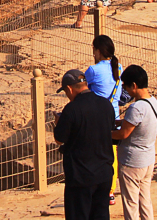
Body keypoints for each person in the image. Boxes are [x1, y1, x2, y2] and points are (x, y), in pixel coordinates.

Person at [54, 68, 117, 220]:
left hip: (80, 177)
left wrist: (58, 122)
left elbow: (60, 138)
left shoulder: (71, 109)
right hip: (104, 174)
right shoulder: (106, 104)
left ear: (69, 88)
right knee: (101, 215)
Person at [111, 65, 157, 220]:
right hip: (147, 160)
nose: (125, 90)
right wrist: (120, 122)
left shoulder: (136, 108)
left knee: (131, 204)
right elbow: (136, 124)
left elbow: (123, 134)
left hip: (132, 162)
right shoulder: (153, 102)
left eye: (125, 86)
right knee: (145, 200)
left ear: (134, 85)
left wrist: (105, 133)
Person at [86, 35, 122, 206]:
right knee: (111, 155)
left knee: (94, 153)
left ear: (98, 51)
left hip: (97, 117)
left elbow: (84, 89)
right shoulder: (119, 68)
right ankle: (110, 191)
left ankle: (95, 187)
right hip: (114, 116)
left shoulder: (93, 70)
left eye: (94, 49)